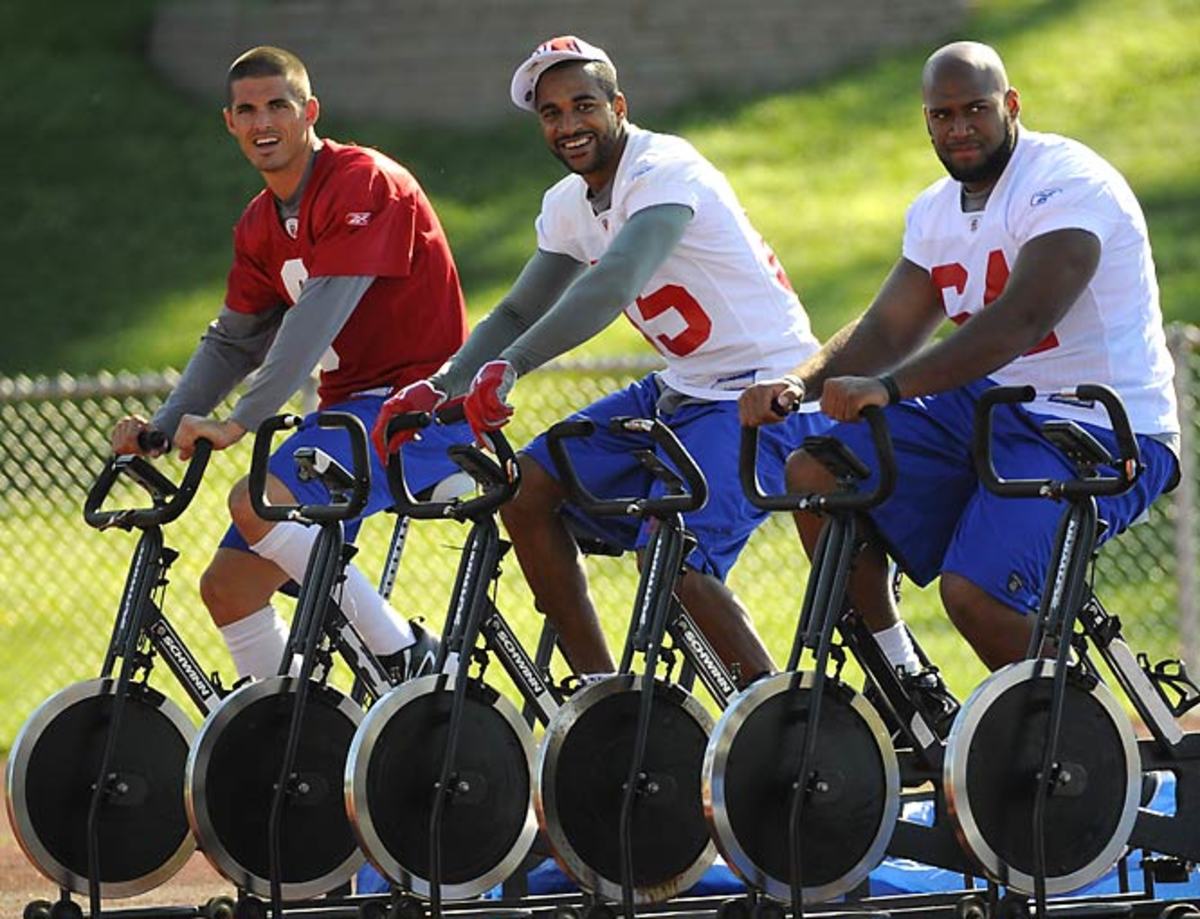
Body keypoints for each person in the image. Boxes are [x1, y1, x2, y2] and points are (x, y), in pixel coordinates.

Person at [739, 41, 1180, 715]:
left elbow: (1024, 318)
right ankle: (907, 682)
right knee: (819, 473)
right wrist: (799, 383)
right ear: (925, 122)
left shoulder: (1066, 181)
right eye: (942, 115)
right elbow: (888, 326)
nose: (960, 127)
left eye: (976, 109)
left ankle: (1089, 746)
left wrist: (889, 388)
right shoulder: (937, 210)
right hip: (994, 408)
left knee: (975, 593)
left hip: (1098, 421)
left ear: (1011, 105)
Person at [374, 36, 828, 687]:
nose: (568, 124)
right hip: (684, 388)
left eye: (583, 105)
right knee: (526, 489)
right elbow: (513, 313)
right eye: (551, 113)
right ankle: (601, 694)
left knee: (675, 559)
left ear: (618, 104)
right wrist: (443, 384)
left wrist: (513, 366)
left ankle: (774, 719)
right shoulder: (567, 204)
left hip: (767, 391)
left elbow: (613, 281)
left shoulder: (665, 167)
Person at [111, 46, 470, 682]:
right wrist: (164, 426)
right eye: (246, 110)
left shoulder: (364, 180)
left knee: (255, 500)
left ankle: (407, 660)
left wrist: (240, 422)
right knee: (227, 590)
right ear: (229, 122)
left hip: (420, 409)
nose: (262, 121)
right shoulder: (258, 222)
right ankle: (295, 730)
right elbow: (233, 341)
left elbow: (314, 319)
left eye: (278, 104)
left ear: (310, 112)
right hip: (348, 416)